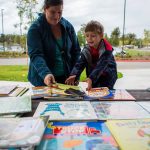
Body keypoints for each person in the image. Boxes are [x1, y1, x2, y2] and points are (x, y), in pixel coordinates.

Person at [27, 0, 81, 86]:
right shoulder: (35, 29)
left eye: (60, 12)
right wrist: (46, 74)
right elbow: (36, 55)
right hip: (43, 80)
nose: (56, 16)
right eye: (52, 12)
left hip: (66, 79)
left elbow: (76, 51)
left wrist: (75, 73)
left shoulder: (68, 26)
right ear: (45, 9)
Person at [65, 20, 117, 90]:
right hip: (93, 75)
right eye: (87, 36)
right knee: (92, 92)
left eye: (93, 36)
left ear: (101, 35)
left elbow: (101, 66)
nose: (89, 38)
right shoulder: (87, 49)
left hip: (107, 76)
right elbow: (80, 63)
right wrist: (74, 74)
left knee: (105, 93)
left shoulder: (106, 49)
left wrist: (91, 78)